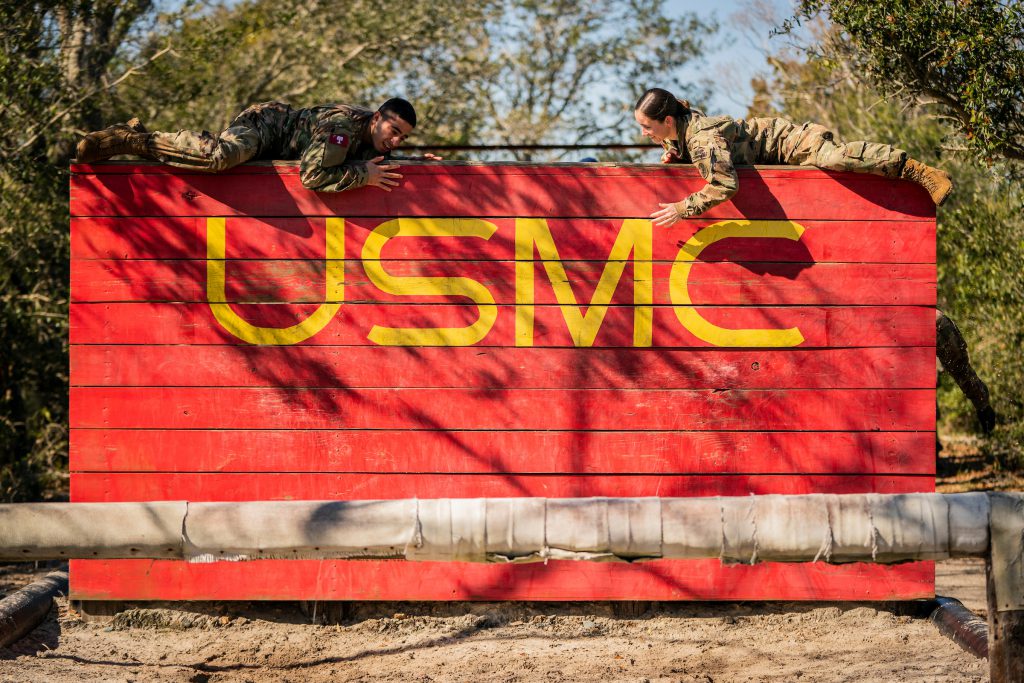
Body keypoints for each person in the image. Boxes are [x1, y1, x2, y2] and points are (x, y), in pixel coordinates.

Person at [633, 87, 953, 226]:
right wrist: (675, 156)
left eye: (647, 127)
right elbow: (684, 146)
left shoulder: (702, 139)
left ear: (668, 121)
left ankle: (914, 169)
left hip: (787, 143)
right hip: (771, 154)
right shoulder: (678, 129)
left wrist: (682, 208)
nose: (644, 133)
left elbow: (725, 185)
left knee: (834, 159)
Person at [75, 98, 439, 192]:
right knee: (222, 156)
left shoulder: (371, 139)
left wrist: (419, 162)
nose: (395, 140)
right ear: (377, 118)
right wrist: (362, 176)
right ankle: (133, 139)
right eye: (393, 130)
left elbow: (375, 160)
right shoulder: (342, 127)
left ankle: (140, 135)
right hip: (265, 128)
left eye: (402, 137)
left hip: (276, 144)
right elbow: (312, 175)